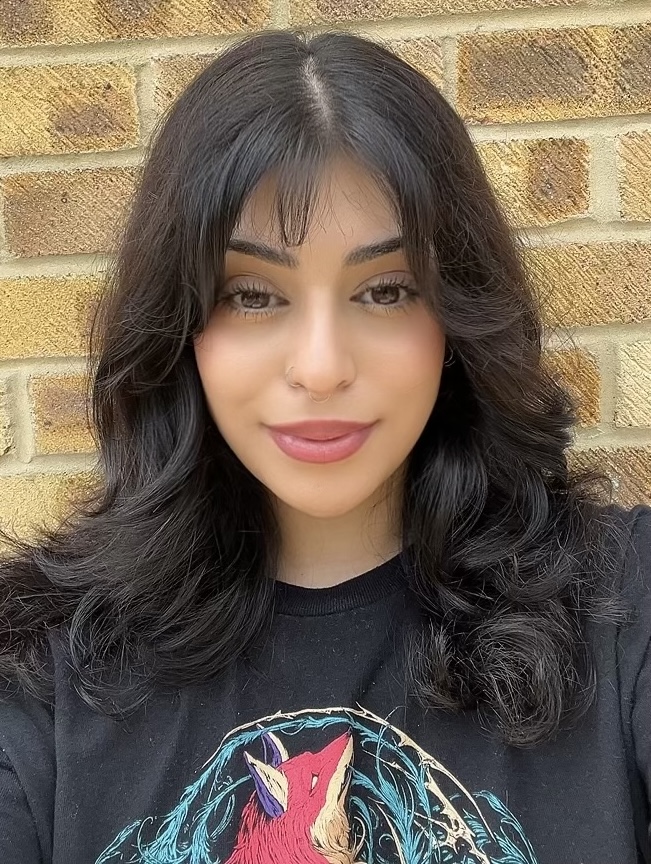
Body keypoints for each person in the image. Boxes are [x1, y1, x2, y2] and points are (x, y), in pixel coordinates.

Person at [0, 27, 649, 864]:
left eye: (384, 290)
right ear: (180, 329)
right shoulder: (41, 677)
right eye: (252, 295)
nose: (319, 367)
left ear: (454, 319)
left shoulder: (621, 607)